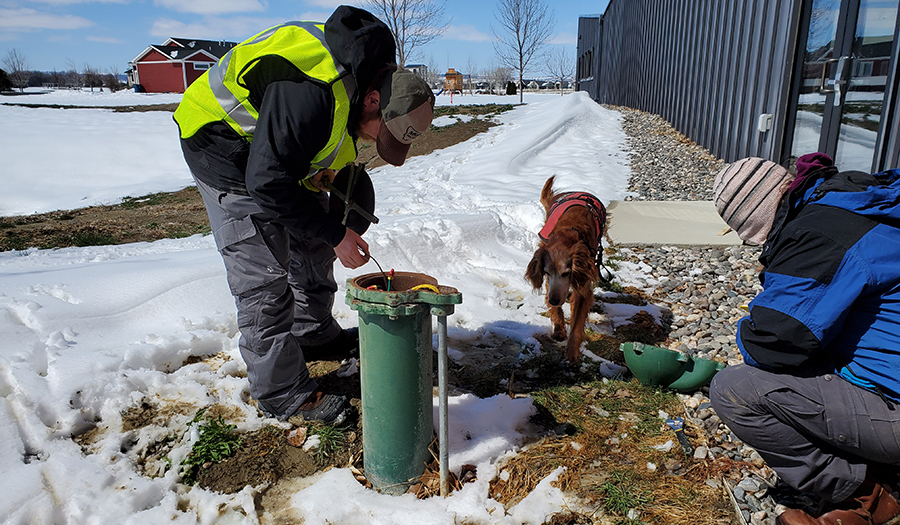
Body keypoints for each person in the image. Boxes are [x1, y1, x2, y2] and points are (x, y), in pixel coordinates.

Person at [173, 5, 435, 424]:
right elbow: (267, 183)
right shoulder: (313, 90)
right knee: (263, 271)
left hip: (274, 150)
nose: (373, 140)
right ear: (372, 100)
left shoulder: (363, 85)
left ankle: (312, 333)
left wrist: (328, 205)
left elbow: (302, 150)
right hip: (221, 144)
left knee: (313, 236)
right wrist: (336, 234)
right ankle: (282, 393)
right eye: (379, 132)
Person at [710, 153, 900, 525]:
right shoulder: (855, 203)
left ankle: (869, 497)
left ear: (759, 223)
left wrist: (746, 325)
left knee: (735, 390)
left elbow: (773, 342)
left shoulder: (815, 235)